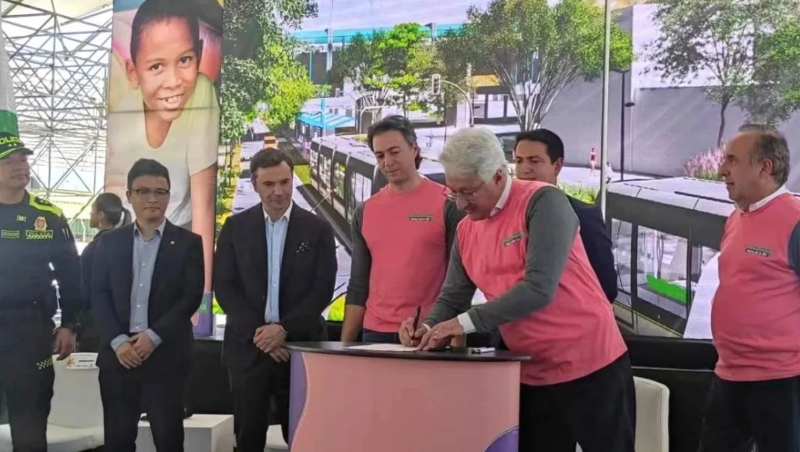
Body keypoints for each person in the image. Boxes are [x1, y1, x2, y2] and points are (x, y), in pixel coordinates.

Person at [399, 127, 635, 452]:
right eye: (453, 192)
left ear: (498, 175)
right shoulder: (466, 229)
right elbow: (453, 296)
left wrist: (463, 324)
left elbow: (538, 288)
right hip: (529, 370)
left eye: (468, 192)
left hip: (591, 364)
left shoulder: (543, 201)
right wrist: (428, 327)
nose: (461, 203)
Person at [214, 149, 337, 452]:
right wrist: (263, 336)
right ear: (255, 185)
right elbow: (225, 287)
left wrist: (283, 331)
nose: (278, 191)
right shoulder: (235, 228)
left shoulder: (318, 229)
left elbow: (322, 290)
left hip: (300, 350)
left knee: (305, 439)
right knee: (248, 439)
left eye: (284, 182)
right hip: (248, 350)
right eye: (269, 184)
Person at [698, 125, 800, 452]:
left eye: (733, 160)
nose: (721, 169)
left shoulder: (795, 221)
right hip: (728, 373)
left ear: (765, 167)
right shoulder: (736, 218)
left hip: (780, 382)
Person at [91, 159, 204, 452]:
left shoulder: (189, 243)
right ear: (130, 195)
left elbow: (190, 297)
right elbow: (98, 294)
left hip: (166, 356)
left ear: (169, 195)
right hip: (119, 356)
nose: (152, 199)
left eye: (160, 192)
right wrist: (118, 341)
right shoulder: (109, 243)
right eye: (143, 191)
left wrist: (153, 337)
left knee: (168, 440)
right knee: (117, 441)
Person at [106, 0, 218, 294]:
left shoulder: (200, 93)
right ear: (133, 72)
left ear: (199, 55)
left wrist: (203, 298)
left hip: (177, 252)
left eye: (185, 60)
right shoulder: (122, 118)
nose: (173, 81)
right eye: (156, 66)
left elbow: (204, 208)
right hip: (133, 252)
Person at [340, 116, 465, 344]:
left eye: (394, 152)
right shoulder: (364, 212)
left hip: (428, 333)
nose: (388, 162)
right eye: (380, 155)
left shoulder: (448, 204)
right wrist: (343, 348)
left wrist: (457, 347)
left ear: (414, 149)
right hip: (375, 334)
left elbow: (458, 285)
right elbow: (358, 285)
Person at [0, 131, 81, 451]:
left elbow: (71, 275)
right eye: (9, 161)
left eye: (23, 159)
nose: (20, 166)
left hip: (29, 328)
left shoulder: (48, 216)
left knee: (30, 425)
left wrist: (70, 324)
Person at [514, 129, 617, 302]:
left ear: (557, 166)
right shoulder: (504, 214)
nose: (525, 169)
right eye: (519, 161)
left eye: (534, 161)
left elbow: (606, 287)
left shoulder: (583, 216)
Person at [79, 193, 131, 352]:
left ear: (101, 215)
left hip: (95, 326)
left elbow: (84, 290)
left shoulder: (93, 249)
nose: (90, 214)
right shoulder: (129, 245)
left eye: (92, 210)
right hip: (125, 325)